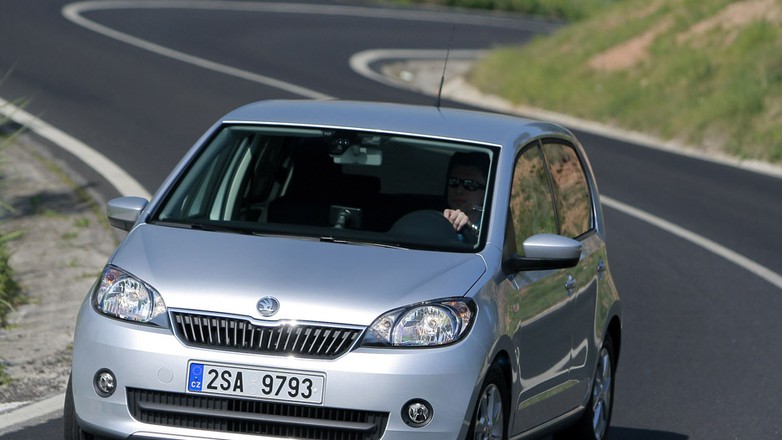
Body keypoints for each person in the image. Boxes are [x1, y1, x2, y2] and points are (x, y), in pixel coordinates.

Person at [442, 152, 488, 237]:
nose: (459, 191)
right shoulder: (436, 221)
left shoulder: (493, 225)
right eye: (454, 181)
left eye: (470, 184)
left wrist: (470, 229)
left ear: (486, 191)